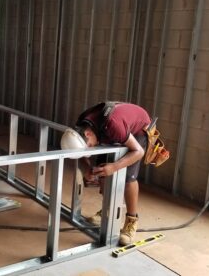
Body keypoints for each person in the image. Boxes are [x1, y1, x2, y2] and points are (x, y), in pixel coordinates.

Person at [61, 102, 151, 246]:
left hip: (138, 130)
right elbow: (84, 151)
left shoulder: (113, 126)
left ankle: (131, 221)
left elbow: (138, 152)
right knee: (102, 168)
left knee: (128, 177)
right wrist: (90, 168)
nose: (89, 148)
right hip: (112, 127)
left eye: (89, 145)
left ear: (88, 134)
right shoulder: (82, 124)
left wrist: (115, 167)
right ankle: (108, 208)